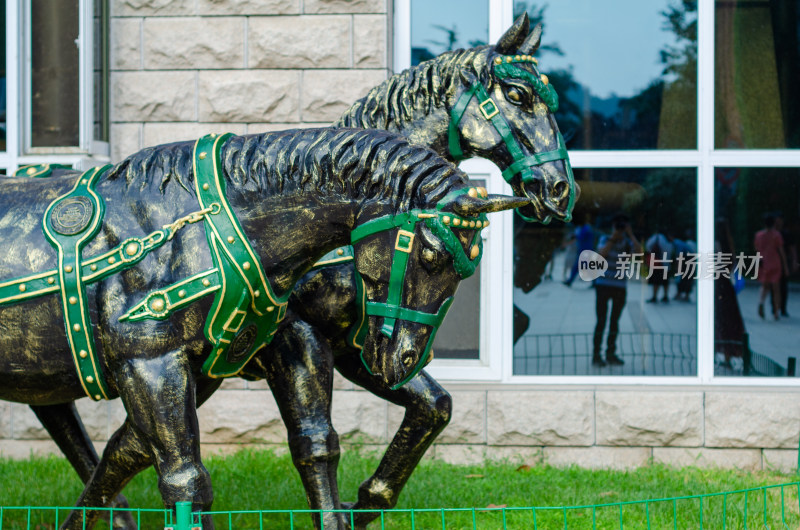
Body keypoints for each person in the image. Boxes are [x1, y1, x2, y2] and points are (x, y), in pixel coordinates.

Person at [593, 213, 641, 367]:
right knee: (601, 321)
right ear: (613, 226)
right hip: (603, 285)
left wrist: (630, 235)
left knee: (614, 322)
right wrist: (613, 238)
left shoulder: (628, 242)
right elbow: (601, 255)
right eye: (618, 226)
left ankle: (611, 353)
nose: (620, 228)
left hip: (620, 287)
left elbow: (639, 254)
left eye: (623, 226)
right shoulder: (605, 239)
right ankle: (596, 355)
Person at [754, 213, 788, 321]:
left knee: (765, 286)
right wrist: (785, 266)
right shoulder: (776, 235)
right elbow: (781, 251)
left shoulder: (759, 235)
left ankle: (761, 302)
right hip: (775, 262)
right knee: (776, 288)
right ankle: (776, 312)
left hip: (764, 262)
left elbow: (757, 249)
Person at [772, 212, 799, 317]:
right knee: (773, 285)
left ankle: (782, 308)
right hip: (773, 261)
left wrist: (794, 261)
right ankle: (774, 307)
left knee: (782, 286)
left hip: (783, 261)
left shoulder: (786, 234)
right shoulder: (771, 234)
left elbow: (792, 249)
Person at [563, 213, 594, 287]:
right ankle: (595, 283)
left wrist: (575, 236)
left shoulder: (586, 228)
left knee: (578, 267)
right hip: (584, 250)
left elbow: (580, 237)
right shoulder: (586, 227)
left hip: (585, 251)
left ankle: (570, 281)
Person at [645, 230, 674, 303]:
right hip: (667, 264)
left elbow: (648, 245)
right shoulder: (669, 240)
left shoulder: (657, 237)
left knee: (656, 281)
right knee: (665, 281)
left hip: (658, 263)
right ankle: (665, 296)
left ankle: (654, 297)